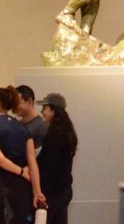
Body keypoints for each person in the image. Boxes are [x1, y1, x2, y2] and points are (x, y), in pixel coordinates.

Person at [0, 86, 46, 224]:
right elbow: (32, 163)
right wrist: (37, 192)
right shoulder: (22, 128)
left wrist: (22, 172)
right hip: (21, 190)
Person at [36, 93, 77, 224]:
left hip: (51, 195)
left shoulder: (52, 137)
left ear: (53, 110)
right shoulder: (68, 134)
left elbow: (49, 169)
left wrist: (42, 194)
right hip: (64, 191)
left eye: (45, 108)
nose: (42, 111)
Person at [15, 86, 47, 150]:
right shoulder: (16, 125)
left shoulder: (41, 126)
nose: (15, 107)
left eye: (17, 103)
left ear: (29, 101)